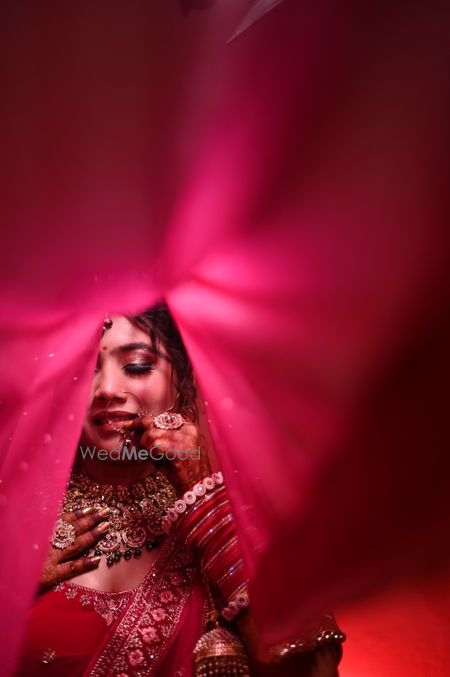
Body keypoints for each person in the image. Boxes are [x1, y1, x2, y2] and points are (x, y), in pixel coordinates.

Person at [15, 302, 345, 676]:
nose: (107, 389)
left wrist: (205, 504)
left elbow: (311, 670)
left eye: (136, 366)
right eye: (83, 371)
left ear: (183, 382)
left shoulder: (243, 520)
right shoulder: (15, 520)